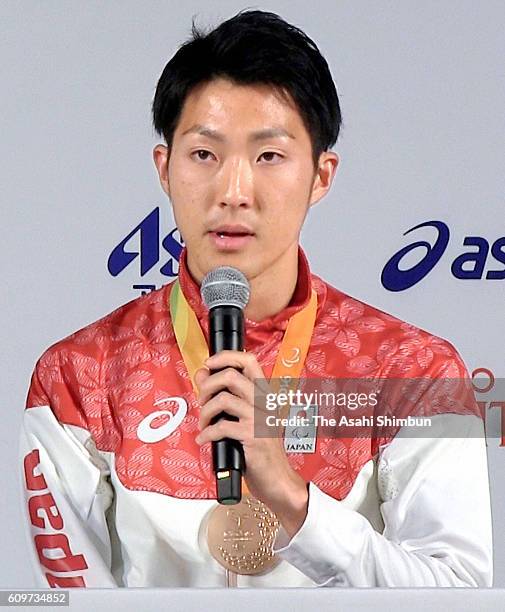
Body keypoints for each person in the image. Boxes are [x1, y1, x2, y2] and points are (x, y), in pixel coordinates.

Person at [20, 9, 492, 588]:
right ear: (164, 169)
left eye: (269, 156)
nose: (234, 191)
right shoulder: (76, 376)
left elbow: (457, 593)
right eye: (204, 155)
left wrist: (295, 501)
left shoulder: (414, 371)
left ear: (321, 176)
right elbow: (72, 601)